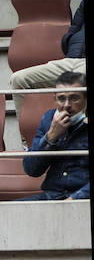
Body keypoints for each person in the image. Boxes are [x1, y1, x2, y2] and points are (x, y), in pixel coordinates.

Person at [21, 70, 88, 201]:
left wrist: (77, 198)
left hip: (83, 198)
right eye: (61, 99)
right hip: (52, 196)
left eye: (74, 98)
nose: (67, 105)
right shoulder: (49, 119)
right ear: (54, 99)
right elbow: (31, 169)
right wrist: (51, 136)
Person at [10, 0, 83, 116]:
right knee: (18, 79)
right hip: (70, 58)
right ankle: (27, 134)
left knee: (77, 83)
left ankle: (78, 133)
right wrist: (70, 43)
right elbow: (73, 29)